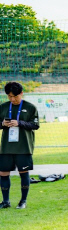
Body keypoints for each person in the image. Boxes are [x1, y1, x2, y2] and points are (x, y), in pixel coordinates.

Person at [0, 82, 39, 210]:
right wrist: (3, 124)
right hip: (6, 147)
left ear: (21, 93)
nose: (12, 99)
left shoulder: (30, 107)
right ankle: (5, 201)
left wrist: (19, 123)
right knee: (3, 173)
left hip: (24, 147)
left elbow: (35, 125)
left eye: (15, 96)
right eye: (9, 96)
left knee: (23, 172)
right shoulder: (3, 107)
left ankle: (23, 201)